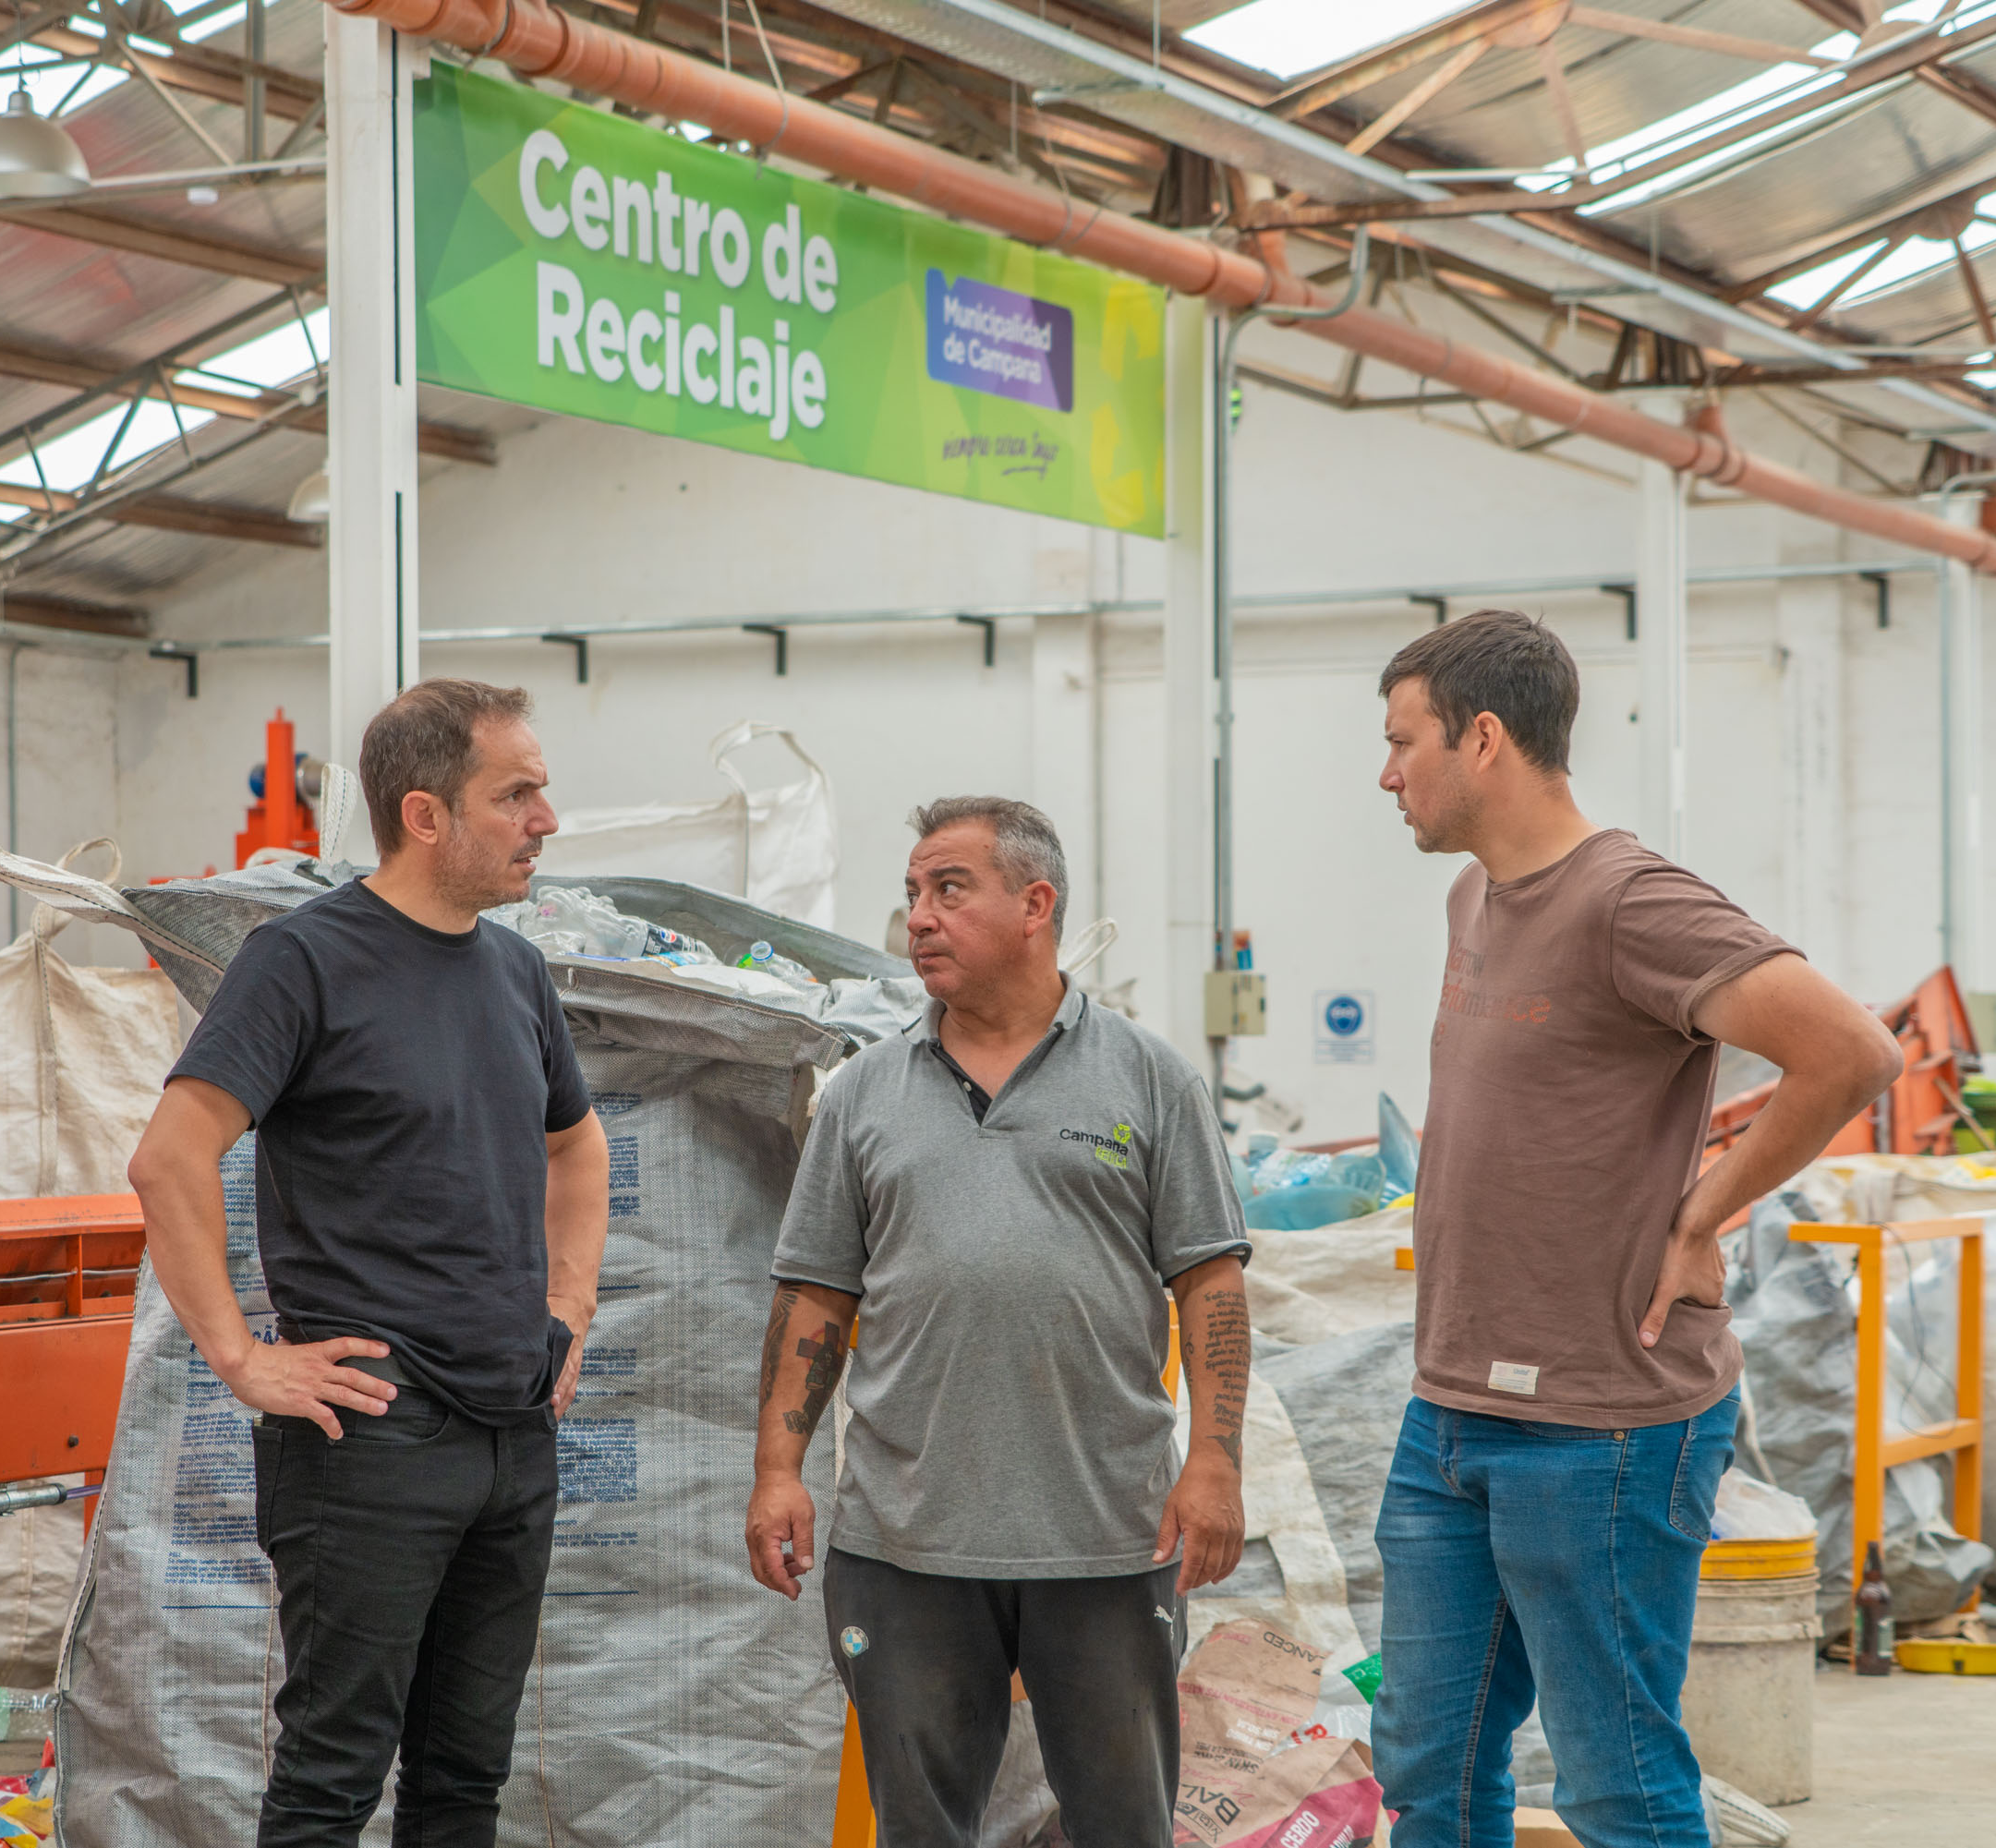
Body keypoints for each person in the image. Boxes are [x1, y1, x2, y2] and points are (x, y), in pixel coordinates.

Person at [1371, 612, 1902, 1848]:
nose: (1387, 772)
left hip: (1601, 1424)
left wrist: (1707, 1208)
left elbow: (1852, 1050)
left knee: (1616, 1776)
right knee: (1427, 1760)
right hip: (1452, 1406)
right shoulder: (1473, 898)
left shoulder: (1630, 900)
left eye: (1404, 741)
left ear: (1484, 737)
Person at [125, 680, 609, 1848]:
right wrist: (244, 1359)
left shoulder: (513, 971)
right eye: (518, 794)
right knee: (333, 1784)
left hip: (511, 1428)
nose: (546, 819)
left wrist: (568, 1308)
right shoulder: (303, 962)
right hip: (371, 1436)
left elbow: (577, 1141)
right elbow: (169, 1160)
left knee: (463, 1784)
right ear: (427, 814)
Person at [744, 796, 1253, 1848]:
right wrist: (778, 1470)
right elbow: (816, 1297)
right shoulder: (863, 1094)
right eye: (913, 894)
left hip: (1109, 1538)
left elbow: (1210, 1283)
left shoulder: (1150, 1078)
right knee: (921, 1830)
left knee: (1123, 1828)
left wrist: (1214, 1461)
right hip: (908, 1542)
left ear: (1036, 904)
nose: (919, 918)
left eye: (949, 889)